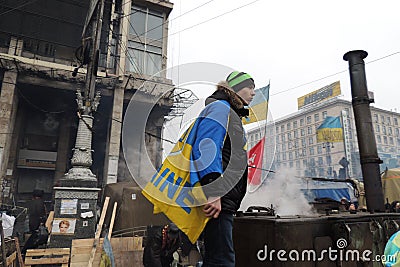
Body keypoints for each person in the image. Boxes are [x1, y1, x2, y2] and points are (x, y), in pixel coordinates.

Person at [197, 71, 255, 267]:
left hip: (224, 199)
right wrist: (214, 192)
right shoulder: (222, 109)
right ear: (237, 89)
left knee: (216, 259)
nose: (254, 93)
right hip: (219, 199)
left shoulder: (228, 112)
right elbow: (207, 147)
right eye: (250, 88)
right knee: (222, 261)